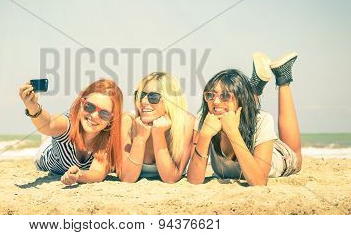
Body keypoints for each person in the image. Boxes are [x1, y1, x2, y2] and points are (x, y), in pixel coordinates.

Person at [187, 52, 302, 186]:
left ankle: (283, 80)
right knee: (241, 109)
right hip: (254, 136)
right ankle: (254, 87)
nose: (216, 102)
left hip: (279, 156)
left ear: (240, 100)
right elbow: (194, 181)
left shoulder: (262, 120)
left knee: (297, 156)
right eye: (210, 96)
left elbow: (259, 182)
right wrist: (205, 136)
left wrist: (232, 132)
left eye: (224, 96)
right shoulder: (204, 120)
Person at [18, 79, 123, 185]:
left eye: (104, 114)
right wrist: (33, 107)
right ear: (81, 103)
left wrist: (78, 175)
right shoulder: (67, 124)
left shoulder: (107, 139)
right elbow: (48, 123)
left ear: (111, 119)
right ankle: (49, 138)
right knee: (51, 130)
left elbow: (97, 173)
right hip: (46, 155)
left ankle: (53, 136)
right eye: (89, 107)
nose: (94, 116)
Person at [119, 72, 194, 183]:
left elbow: (170, 178)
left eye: (153, 97)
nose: (143, 102)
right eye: (140, 96)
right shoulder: (128, 121)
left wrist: (158, 135)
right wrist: (140, 138)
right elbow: (127, 178)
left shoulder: (185, 123)